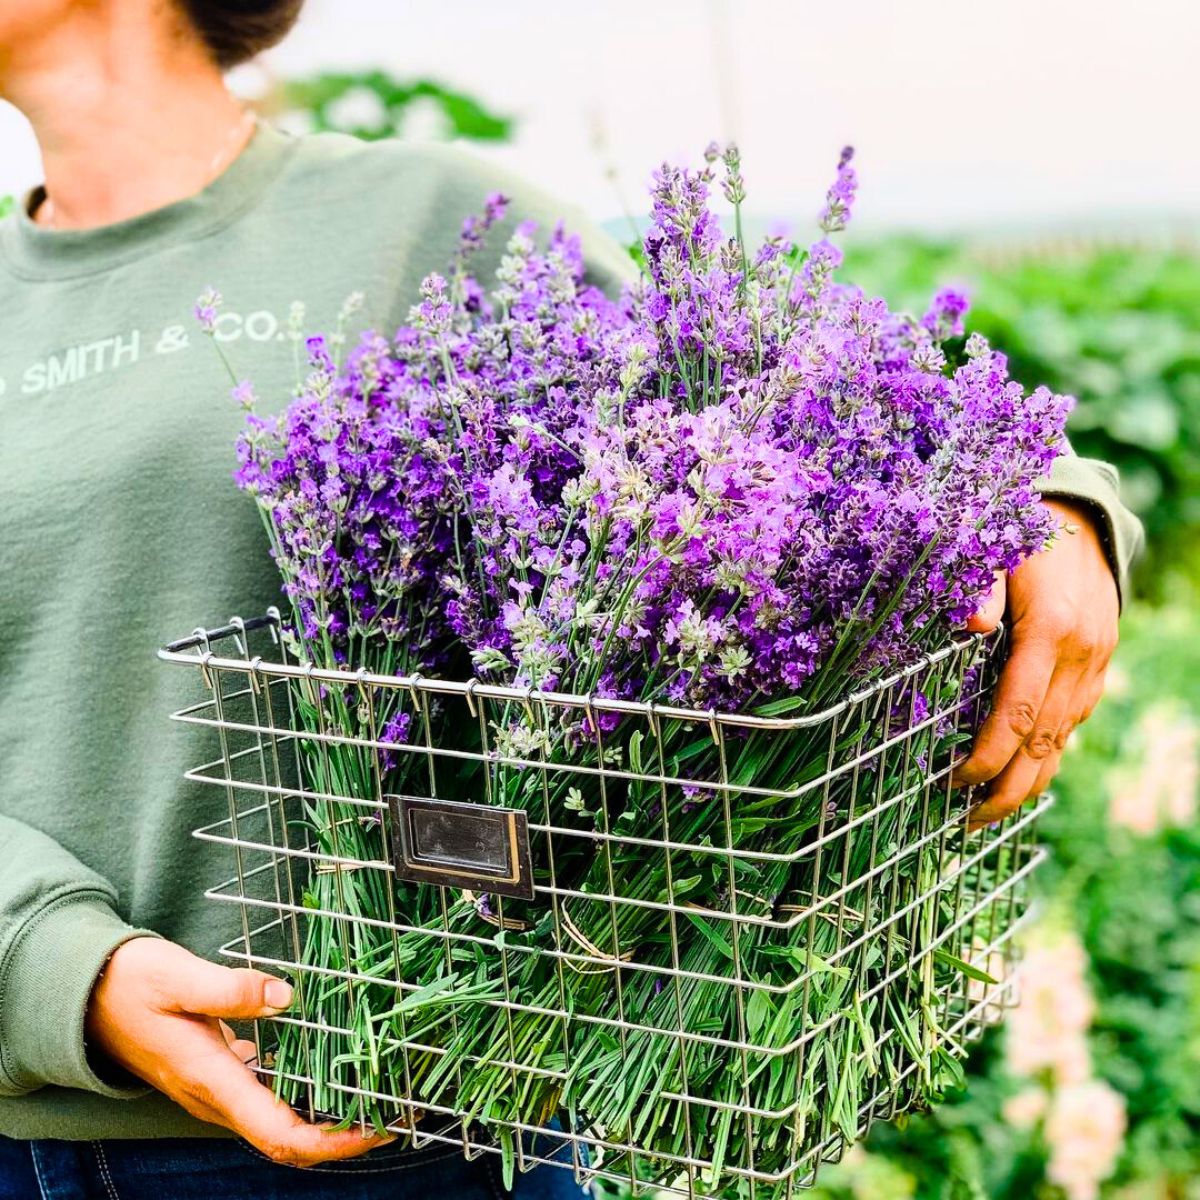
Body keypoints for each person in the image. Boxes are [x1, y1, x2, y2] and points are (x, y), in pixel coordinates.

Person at [0, 0, 1142, 1194]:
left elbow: (778, 407)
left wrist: (1050, 508)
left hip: (407, 1128)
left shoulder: (421, 220)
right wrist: (54, 969)